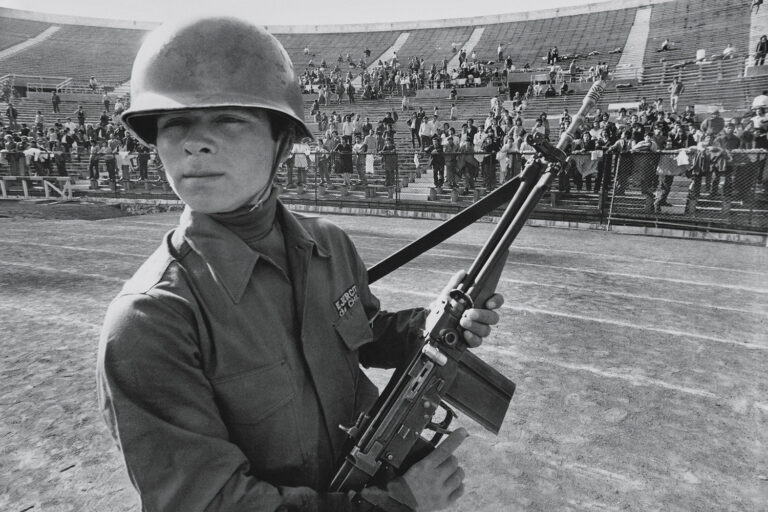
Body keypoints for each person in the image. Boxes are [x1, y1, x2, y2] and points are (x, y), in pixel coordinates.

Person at [100, 16, 504, 512]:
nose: (194, 142)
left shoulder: (329, 245)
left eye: (228, 119)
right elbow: (208, 503)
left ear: (281, 140)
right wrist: (397, 503)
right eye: (174, 122)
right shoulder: (150, 321)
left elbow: (363, 332)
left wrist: (433, 322)